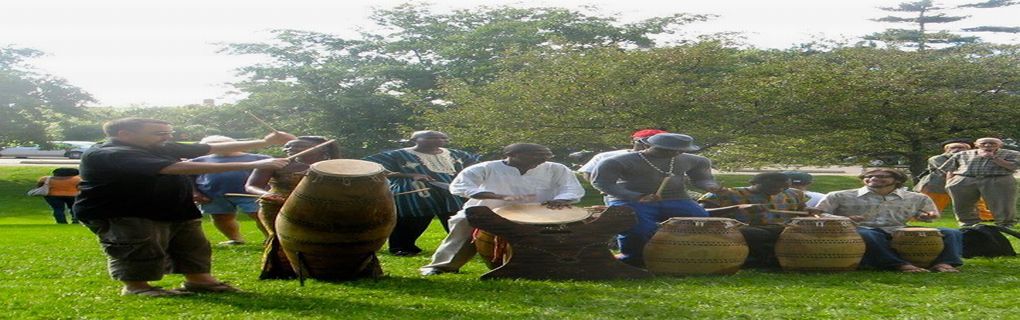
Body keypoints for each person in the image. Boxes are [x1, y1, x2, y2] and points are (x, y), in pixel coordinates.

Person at [74, 118, 294, 297]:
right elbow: (175, 168)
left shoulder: (158, 146)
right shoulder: (109, 153)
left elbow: (210, 148)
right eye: (159, 133)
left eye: (168, 132)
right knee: (138, 246)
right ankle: (136, 287)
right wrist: (253, 164)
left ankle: (200, 281)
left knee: (193, 245)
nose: (167, 137)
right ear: (125, 134)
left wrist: (265, 142)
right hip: (123, 211)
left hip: (173, 208)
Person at [419, 143, 585, 275]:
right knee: (464, 223)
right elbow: (460, 185)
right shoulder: (486, 168)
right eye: (536, 155)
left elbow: (570, 187)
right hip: (489, 210)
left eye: (546, 156)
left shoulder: (556, 168)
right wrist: (481, 193)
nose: (542, 159)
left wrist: (562, 199)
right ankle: (442, 266)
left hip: (539, 212)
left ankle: (557, 265)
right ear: (512, 155)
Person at [591, 133, 723, 267]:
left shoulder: (696, 160)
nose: (676, 152)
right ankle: (634, 258)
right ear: (649, 145)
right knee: (638, 227)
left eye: (681, 150)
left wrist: (712, 187)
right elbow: (602, 183)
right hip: (630, 200)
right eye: (667, 149)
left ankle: (687, 255)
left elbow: (702, 178)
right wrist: (637, 196)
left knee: (700, 220)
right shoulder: (618, 161)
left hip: (676, 198)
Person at [814, 168, 963, 273]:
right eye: (870, 176)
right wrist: (845, 219)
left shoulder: (917, 198)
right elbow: (818, 214)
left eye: (881, 177)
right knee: (870, 234)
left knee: (951, 232)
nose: (873, 179)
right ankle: (898, 265)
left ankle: (946, 263)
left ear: (897, 181)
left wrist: (926, 216)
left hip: (898, 229)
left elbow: (930, 215)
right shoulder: (839, 195)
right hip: (859, 229)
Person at [363, 130, 480, 256]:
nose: (438, 140)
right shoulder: (398, 154)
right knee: (413, 217)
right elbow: (371, 166)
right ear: (414, 140)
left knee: (457, 217)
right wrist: (410, 174)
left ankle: (465, 246)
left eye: (442, 137)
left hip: (450, 190)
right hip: (416, 190)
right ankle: (402, 247)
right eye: (430, 137)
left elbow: (476, 165)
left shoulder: (456, 154)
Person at [245, 136, 341, 280]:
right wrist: (267, 195)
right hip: (277, 204)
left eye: (298, 146)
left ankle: (323, 270)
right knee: (281, 236)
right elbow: (251, 186)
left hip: (317, 206)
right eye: (288, 146)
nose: (290, 150)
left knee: (318, 236)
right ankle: (283, 271)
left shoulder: (333, 166)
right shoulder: (275, 164)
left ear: (321, 149)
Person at [698, 172, 808, 268]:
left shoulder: (794, 194)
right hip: (745, 228)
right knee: (754, 234)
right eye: (772, 187)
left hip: (782, 229)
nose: (779, 190)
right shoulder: (726, 194)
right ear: (754, 182)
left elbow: (802, 211)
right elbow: (700, 212)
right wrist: (737, 207)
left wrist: (810, 211)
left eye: (784, 188)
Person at [189, 135, 272, 245]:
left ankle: (271, 238)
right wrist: (195, 193)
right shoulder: (197, 161)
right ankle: (236, 239)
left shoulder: (260, 158)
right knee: (221, 217)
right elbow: (188, 177)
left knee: (260, 215)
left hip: (250, 194)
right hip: (212, 195)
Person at [940, 137, 1020, 227]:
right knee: (962, 204)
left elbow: (1013, 167)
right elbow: (949, 168)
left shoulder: (1012, 154)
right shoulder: (963, 154)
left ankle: (1005, 224)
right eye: (983, 143)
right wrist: (949, 182)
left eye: (992, 143)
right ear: (976, 144)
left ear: (1000, 145)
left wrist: (994, 158)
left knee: (1002, 203)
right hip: (965, 179)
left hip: (998, 179)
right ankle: (967, 223)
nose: (988, 145)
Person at [914, 141, 993, 221]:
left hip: (966, 185)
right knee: (927, 205)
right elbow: (946, 170)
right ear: (946, 150)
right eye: (953, 147)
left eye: (961, 148)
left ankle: (986, 217)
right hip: (936, 186)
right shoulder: (936, 158)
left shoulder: (975, 158)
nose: (957, 149)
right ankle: (916, 218)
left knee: (976, 204)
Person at [577, 129, 667, 181]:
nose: (647, 145)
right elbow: (588, 173)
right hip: (621, 197)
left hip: (667, 197)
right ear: (633, 141)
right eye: (643, 141)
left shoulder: (672, 157)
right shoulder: (606, 156)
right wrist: (607, 187)